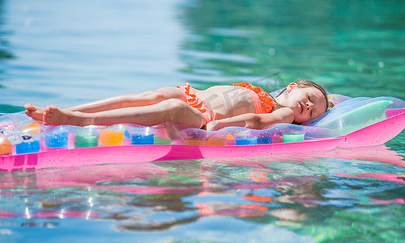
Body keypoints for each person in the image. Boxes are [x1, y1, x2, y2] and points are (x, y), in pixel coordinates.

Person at [24, 80, 332, 131]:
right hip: (192, 93)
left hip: (202, 116)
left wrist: (221, 125)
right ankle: (75, 108)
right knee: (150, 95)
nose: (308, 105)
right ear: (292, 86)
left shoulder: (285, 113)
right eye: (307, 97)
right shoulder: (271, 93)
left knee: (172, 105)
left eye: (314, 110)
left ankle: (76, 120)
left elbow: (258, 121)